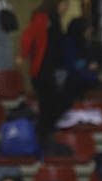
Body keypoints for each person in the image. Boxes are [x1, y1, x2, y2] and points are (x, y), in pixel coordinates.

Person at [20, 1, 70, 143]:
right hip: (44, 70)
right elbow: (29, 36)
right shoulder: (45, 18)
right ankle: (42, 139)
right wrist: (23, 55)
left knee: (49, 107)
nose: (66, 8)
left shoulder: (52, 19)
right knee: (48, 107)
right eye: (65, 4)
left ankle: (44, 138)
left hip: (48, 70)